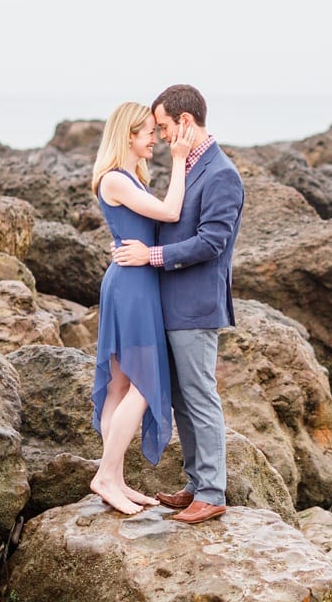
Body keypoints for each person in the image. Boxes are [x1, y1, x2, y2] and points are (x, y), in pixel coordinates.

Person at [112, 85, 244, 524]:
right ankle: (195, 484)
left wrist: (150, 257)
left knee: (200, 396)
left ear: (185, 122)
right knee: (183, 401)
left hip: (195, 307)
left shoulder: (221, 173)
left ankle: (212, 492)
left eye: (165, 127)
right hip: (168, 305)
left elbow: (212, 242)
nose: (163, 136)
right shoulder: (188, 166)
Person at [88, 101, 194, 515]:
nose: (155, 138)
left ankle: (113, 477)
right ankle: (107, 476)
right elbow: (170, 211)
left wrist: (146, 250)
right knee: (143, 387)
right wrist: (182, 159)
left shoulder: (130, 177)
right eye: (149, 131)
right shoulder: (114, 179)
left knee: (119, 386)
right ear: (128, 135)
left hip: (134, 283)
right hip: (132, 288)